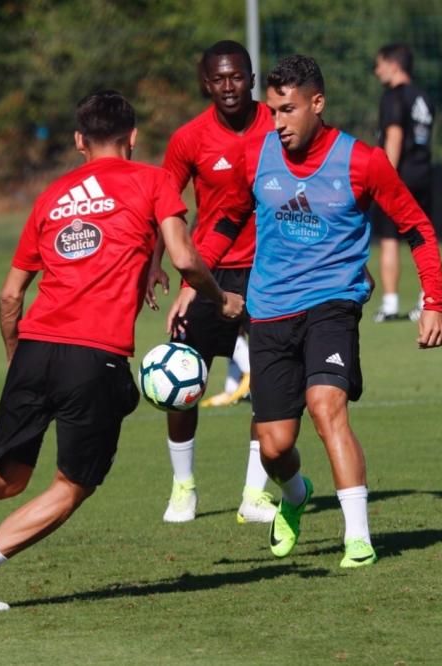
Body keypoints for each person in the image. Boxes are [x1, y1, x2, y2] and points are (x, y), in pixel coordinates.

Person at [0, 91, 244, 613]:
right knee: (71, 486)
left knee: (7, 476)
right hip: (96, 356)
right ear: (132, 138)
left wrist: (17, 358)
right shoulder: (152, 179)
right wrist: (218, 298)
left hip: (36, 347)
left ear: (78, 141)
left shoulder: (52, 196)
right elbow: (183, 254)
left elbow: (9, 295)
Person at [172, 55, 442, 568]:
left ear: (317, 104)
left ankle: (358, 537)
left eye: (287, 110)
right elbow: (229, 218)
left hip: (332, 305)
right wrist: (197, 280)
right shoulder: (259, 157)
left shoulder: (363, 161)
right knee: (275, 448)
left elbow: (418, 229)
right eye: (273, 111)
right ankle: (296, 495)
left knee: (326, 406)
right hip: (270, 312)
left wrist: (432, 300)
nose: (276, 122)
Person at [151, 40, 277, 525]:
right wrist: (156, 264)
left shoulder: (278, 124)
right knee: (181, 379)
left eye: (237, 76)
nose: (229, 86)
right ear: (206, 83)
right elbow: (164, 202)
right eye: (218, 78)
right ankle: (183, 487)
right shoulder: (189, 138)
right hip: (207, 270)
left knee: (271, 383)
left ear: (251, 76)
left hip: (270, 269)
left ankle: (254, 494)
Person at [371, 44, 435, 322]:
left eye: (380, 64)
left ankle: (390, 303)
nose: (377, 70)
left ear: (394, 65)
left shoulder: (393, 97)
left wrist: (385, 177)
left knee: (389, 239)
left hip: (400, 176)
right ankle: (426, 300)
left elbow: (394, 136)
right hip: (423, 173)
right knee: (421, 237)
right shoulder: (424, 97)